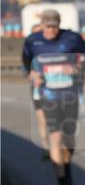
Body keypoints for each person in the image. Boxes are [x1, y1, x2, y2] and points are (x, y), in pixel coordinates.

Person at [21, 10, 85, 185]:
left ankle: (67, 167)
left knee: (68, 138)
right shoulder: (33, 41)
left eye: (55, 26)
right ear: (42, 25)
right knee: (55, 137)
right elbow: (26, 61)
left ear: (59, 24)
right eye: (48, 26)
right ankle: (61, 182)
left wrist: (77, 67)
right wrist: (32, 73)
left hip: (70, 95)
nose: (52, 30)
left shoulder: (71, 39)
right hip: (48, 95)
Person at [26, 23, 50, 159]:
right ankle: (46, 147)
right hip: (37, 89)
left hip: (55, 89)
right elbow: (25, 70)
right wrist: (33, 75)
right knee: (42, 120)